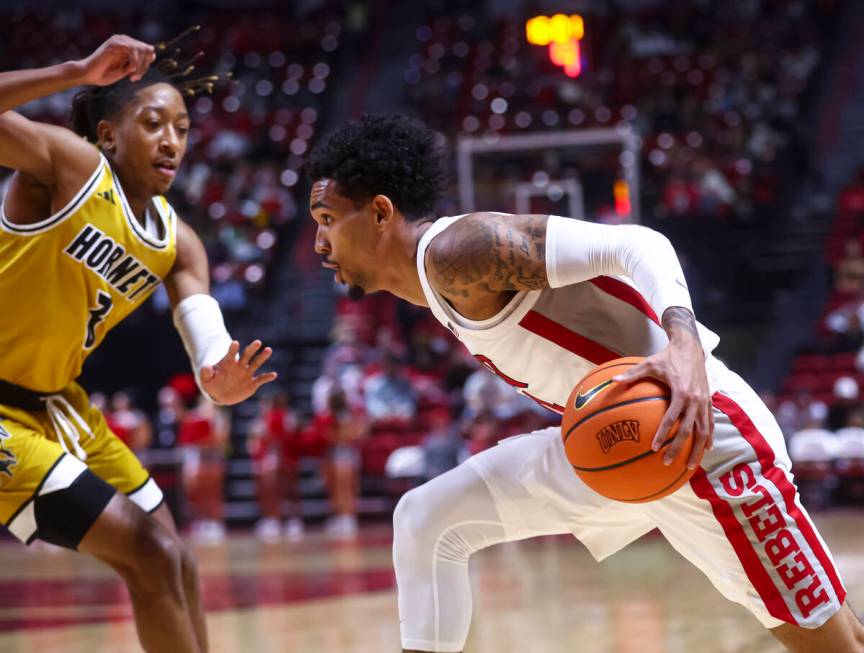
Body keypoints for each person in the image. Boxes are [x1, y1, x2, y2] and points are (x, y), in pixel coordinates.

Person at [306, 114, 864, 653]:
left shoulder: (459, 253)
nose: (318, 243)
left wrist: (685, 346)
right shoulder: (434, 286)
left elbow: (638, 245)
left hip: (700, 436)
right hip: (616, 440)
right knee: (427, 520)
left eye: (328, 219)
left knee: (835, 645)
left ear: (380, 212)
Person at [0, 34, 277, 653]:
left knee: (175, 556)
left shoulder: (180, 241)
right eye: (153, 123)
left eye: (181, 126)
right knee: (148, 552)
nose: (172, 140)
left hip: (57, 405)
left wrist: (219, 377)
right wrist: (75, 71)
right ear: (107, 135)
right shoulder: (66, 165)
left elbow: (204, 335)